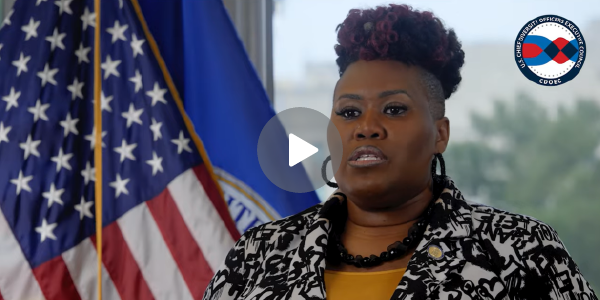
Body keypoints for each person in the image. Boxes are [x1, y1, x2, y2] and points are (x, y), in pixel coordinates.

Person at [203, 4, 598, 300]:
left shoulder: (521, 249)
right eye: (349, 112)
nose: (366, 126)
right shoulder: (259, 252)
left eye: (394, 109)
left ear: (439, 134)